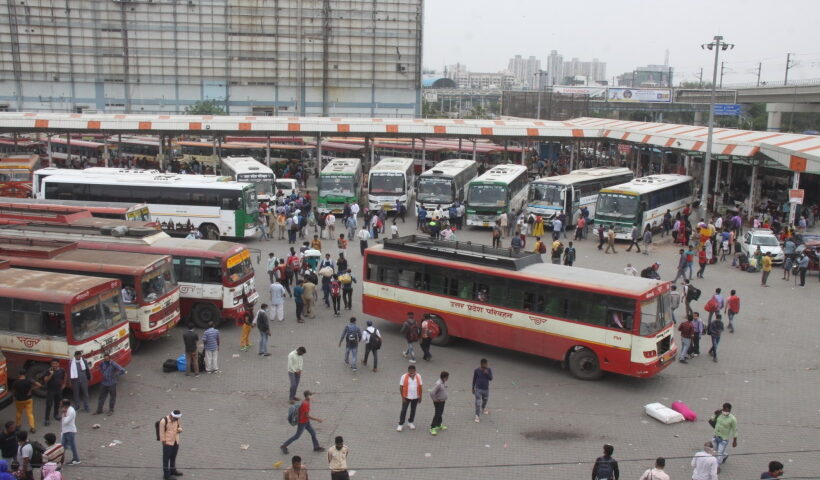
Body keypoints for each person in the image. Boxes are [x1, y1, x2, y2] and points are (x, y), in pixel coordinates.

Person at [397, 365, 423, 432]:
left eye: (413, 370)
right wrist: (403, 397)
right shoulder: (403, 376)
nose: (411, 372)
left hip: (415, 397)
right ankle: (400, 424)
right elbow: (401, 387)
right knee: (404, 410)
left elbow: (420, 386)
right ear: (408, 371)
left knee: (413, 410)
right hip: (406, 397)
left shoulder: (418, 376)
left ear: (415, 371)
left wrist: (420, 396)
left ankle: (410, 422)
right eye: (410, 371)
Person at [159, 410, 183, 480]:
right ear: (172, 416)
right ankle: (166, 475)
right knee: (166, 459)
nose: (176, 420)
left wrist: (180, 429)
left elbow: (180, 427)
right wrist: (164, 443)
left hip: (176, 441)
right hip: (168, 443)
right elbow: (161, 434)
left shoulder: (177, 420)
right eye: (175, 418)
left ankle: (173, 470)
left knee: (173, 457)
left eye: (177, 419)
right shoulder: (163, 421)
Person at [472, 358, 493, 423]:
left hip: (486, 389)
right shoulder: (476, 370)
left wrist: (487, 373)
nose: (485, 366)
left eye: (486, 364)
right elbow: (474, 379)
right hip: (478, 389)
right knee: (478, 403)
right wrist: (473, 388)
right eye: (484, 364)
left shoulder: (489, 370)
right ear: (481, 364)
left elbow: (491, 378)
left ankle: (483, 409)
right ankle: (477, 416)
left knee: (485, 400)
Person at [429, 371, 449, 436]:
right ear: (444, 377)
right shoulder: (438, 384)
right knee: (437, 414)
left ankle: (439, 424)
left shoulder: (444, 382)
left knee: (440, 413)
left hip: (442, 401)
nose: (448, 378)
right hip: (438, 401)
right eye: (447, 377)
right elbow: (432, 393)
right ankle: (432, 428)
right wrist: (435, 400)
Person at [59, 399, 79, 465]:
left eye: (61, 404)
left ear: (65, 405)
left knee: (72, 446)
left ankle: (76, 459)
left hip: (70, 431)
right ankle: (61, 460)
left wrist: (64, 413)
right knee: (63, 446)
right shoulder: (66, 409)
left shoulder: (71, 411)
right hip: (65, 431)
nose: (60, 405)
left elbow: (65, 422)